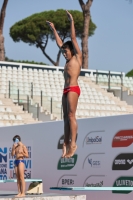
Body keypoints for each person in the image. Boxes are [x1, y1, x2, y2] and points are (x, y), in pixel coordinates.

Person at [46, 10, 82, 158]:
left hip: (73, 88)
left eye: (66, 51)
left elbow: (72, 38)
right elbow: (60, 43)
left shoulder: (77, 58)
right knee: (65, 117)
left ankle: (73, 143)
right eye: (63, 52)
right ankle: (66, 143)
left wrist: (71, 21)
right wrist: (53, 29)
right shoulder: (67, 61)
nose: (64, 53)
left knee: (71, 115)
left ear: (72, 50)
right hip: (65, 89)